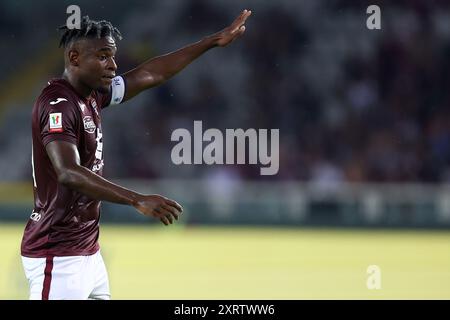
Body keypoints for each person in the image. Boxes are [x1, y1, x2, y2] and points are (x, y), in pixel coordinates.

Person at [20, 9, 252, 300]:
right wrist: (137, 199)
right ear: (75, 58)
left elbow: (150, 73)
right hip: (57, 254)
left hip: (87, 251)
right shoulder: (58, 104)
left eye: (113, 56)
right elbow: (68, 172)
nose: (113, 65)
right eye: (103, 56)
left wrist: (212, 41)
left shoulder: (93, 94)